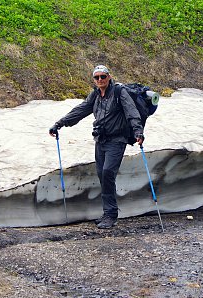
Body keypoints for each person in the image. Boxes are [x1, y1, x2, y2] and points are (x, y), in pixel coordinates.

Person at [49, 65, 144, 229]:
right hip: (101, 140)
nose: (100, 80)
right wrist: (59, 124)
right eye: (97, 77)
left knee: (108, 173)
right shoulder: (95, 95)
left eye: (103, 76)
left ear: (109, 77)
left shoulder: (120, 92)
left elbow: (131, 111)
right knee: (102, 175)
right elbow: (80, 110)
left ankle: (111, 215)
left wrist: (138, 131)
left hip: (117, 140)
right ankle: (108, 213)